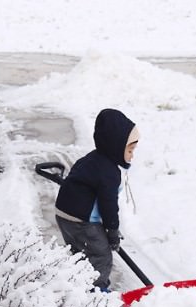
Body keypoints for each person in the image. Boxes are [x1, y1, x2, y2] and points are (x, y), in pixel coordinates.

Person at [55, 108, 139, 291]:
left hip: (64, 215)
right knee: (101, 256)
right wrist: (112, 231)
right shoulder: (110, 172)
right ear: (117, 147)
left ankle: (74, 286)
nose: (132, 155)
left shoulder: (91, 159)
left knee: (80, 253)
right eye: (130, 149)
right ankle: (95, 295)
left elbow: (76, 182)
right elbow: (108, 205)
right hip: (81, 221)